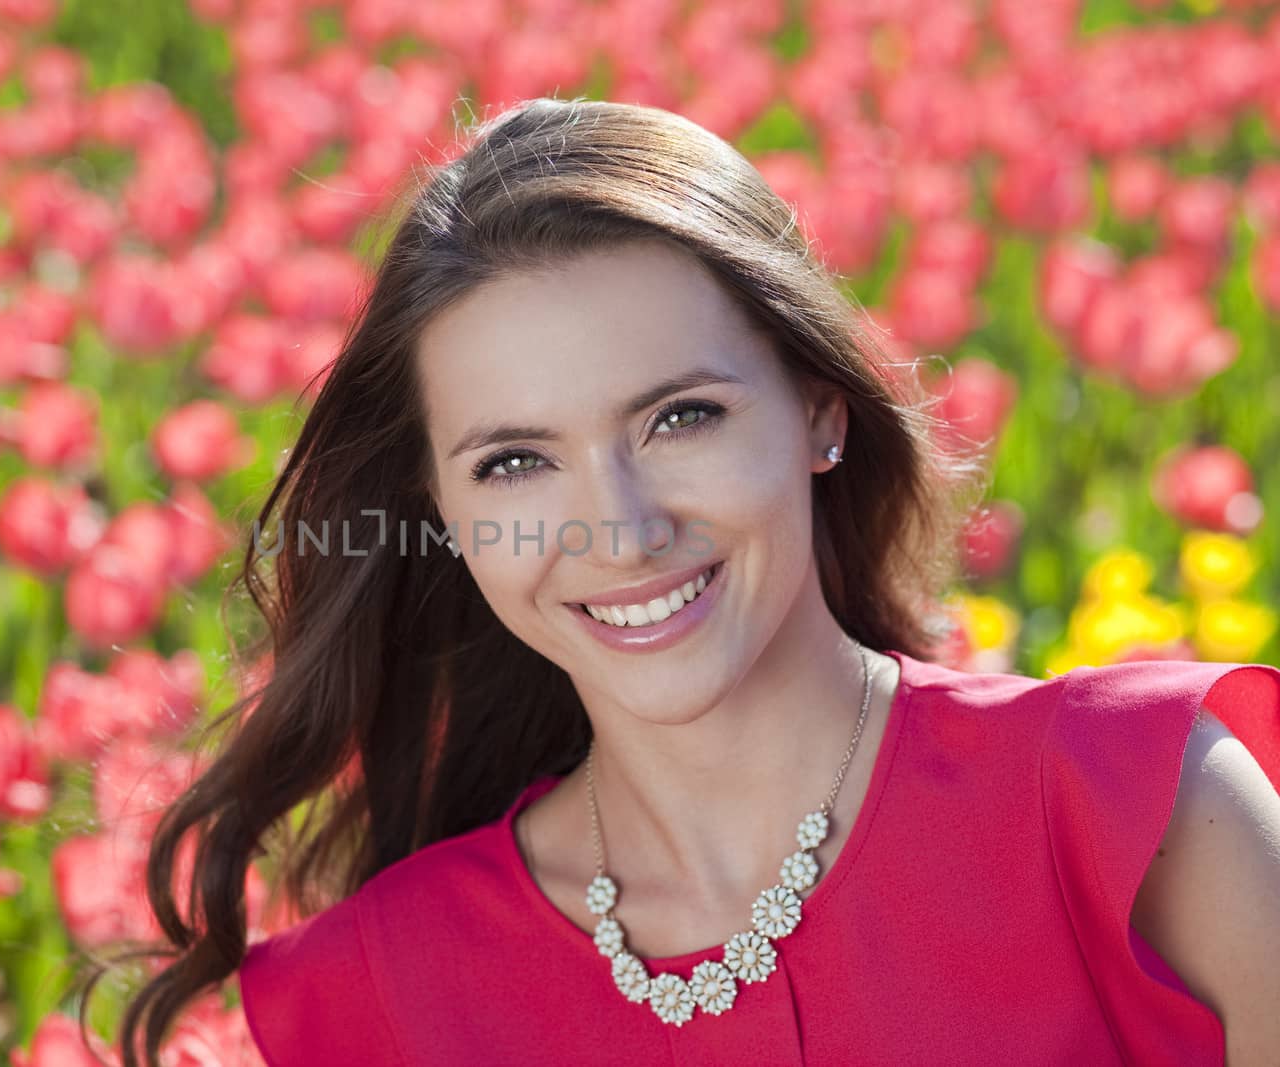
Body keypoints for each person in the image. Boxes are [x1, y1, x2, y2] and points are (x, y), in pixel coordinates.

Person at [111, 97, 1280, 1065]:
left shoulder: (1137, 807)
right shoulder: (369, 1000)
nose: (618, 528)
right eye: (515, 460)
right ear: (444, 513)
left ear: (819, 408)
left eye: (680, 417)